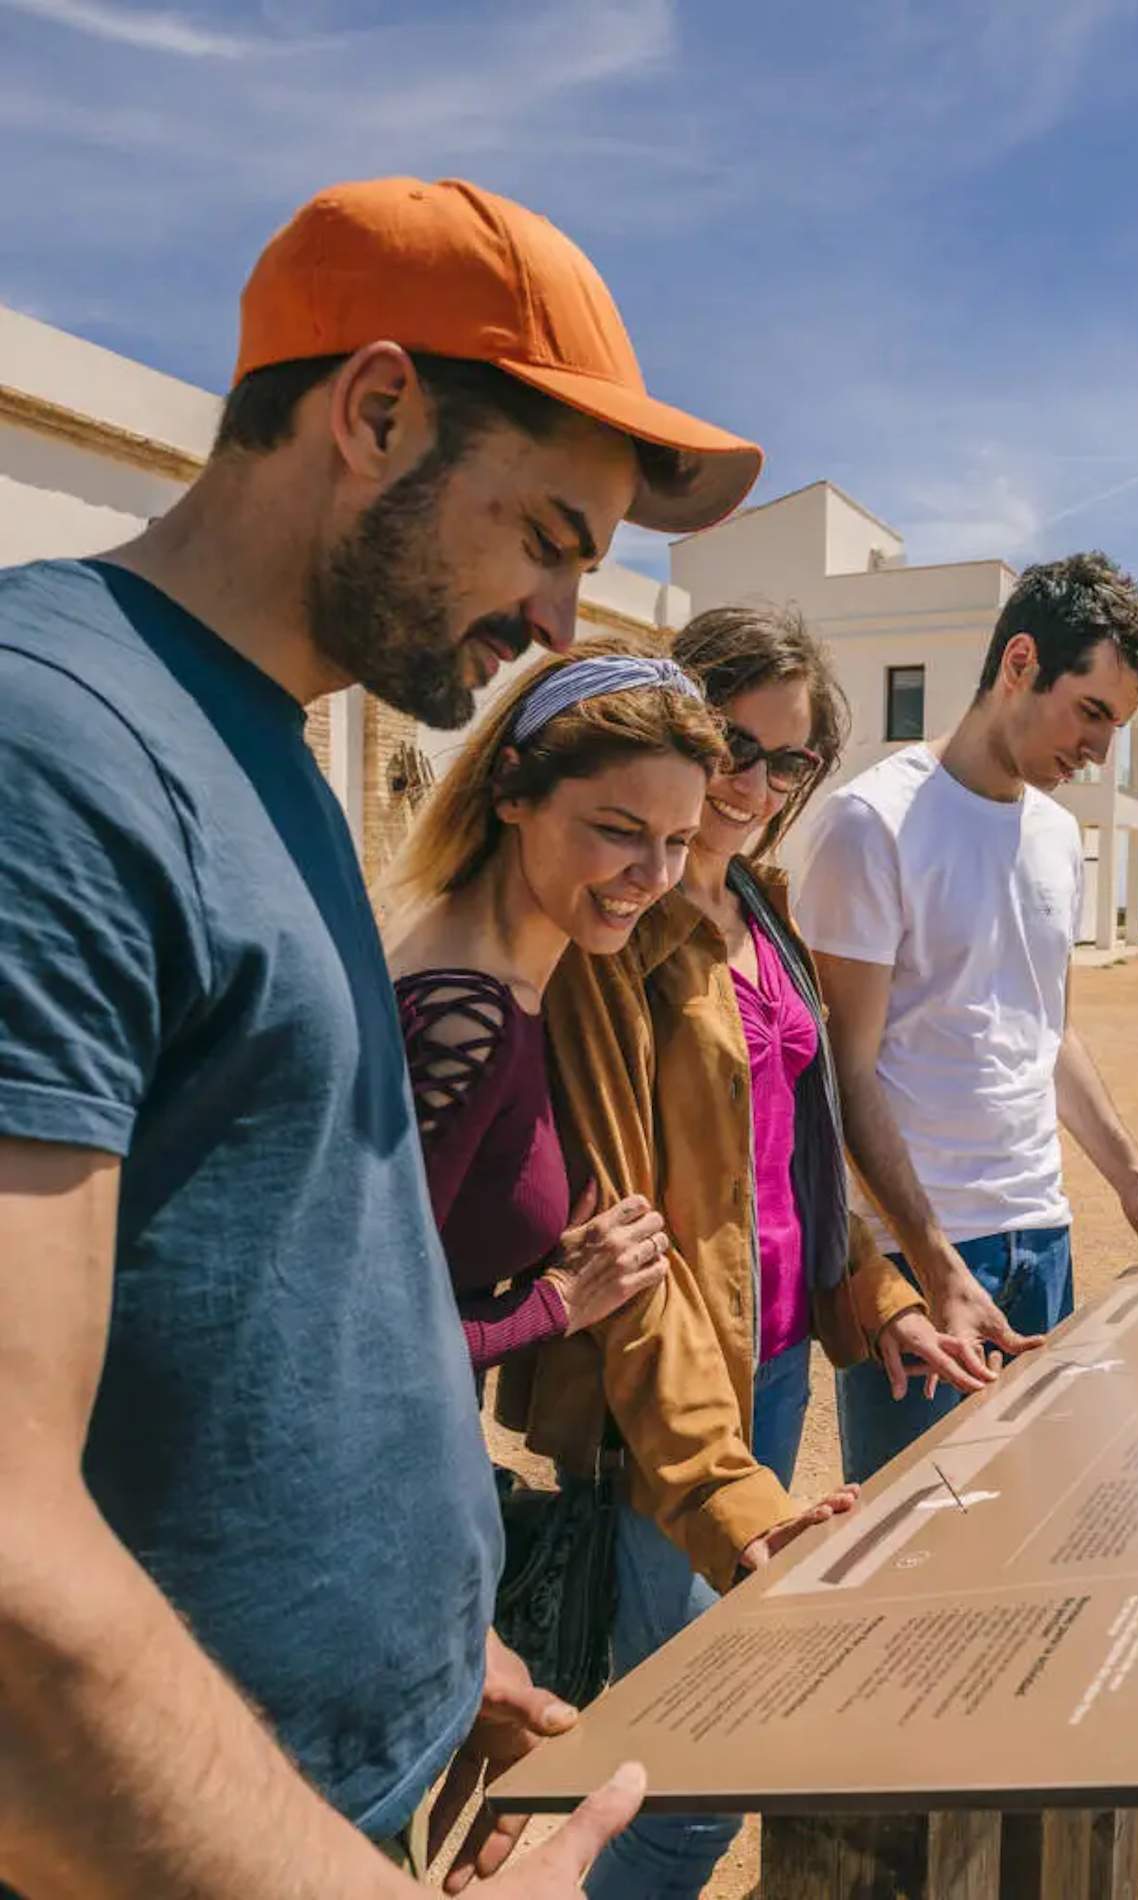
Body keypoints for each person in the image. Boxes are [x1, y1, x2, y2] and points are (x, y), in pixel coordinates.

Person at [0, 175, 763, 1898]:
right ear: (376, 410)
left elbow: (277, 1286)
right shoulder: (46, 750)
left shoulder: (257, 740)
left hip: (318, 1772)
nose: (564, 623)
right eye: (554, 539)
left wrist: (420, 1653)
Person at [541, 605, 981, 1899]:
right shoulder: (620, 923)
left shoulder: (763, 907)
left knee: (687, 1744)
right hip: (675, 1402)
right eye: (730, 740)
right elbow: (626, 1239)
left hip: (776, 1363)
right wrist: (730, 1496)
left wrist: (880, 1299)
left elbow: (799, 1160)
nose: (750, 782)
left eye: (785, 761)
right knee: (685, 1779)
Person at [798, 550, 1138, 1484]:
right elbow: (844, 1069)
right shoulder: (871, 824)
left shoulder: (1059, 837)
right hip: (922, 1254)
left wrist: (1133, 1186)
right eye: (1092, 713)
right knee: (914, 1548)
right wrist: (933, 1260)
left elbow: (1050, 1032)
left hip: (1045, 1236)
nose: (1100, 751)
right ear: (1019, 663)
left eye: (1118, 726)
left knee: (1033, 1514)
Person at [383, 649, 726, 1375]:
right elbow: (363, 1335)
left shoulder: (512, 981)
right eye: (618, 829)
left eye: (679, 840)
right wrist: (559, 1303)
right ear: (512, 788)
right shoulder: (463, 1017)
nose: (656, 875)